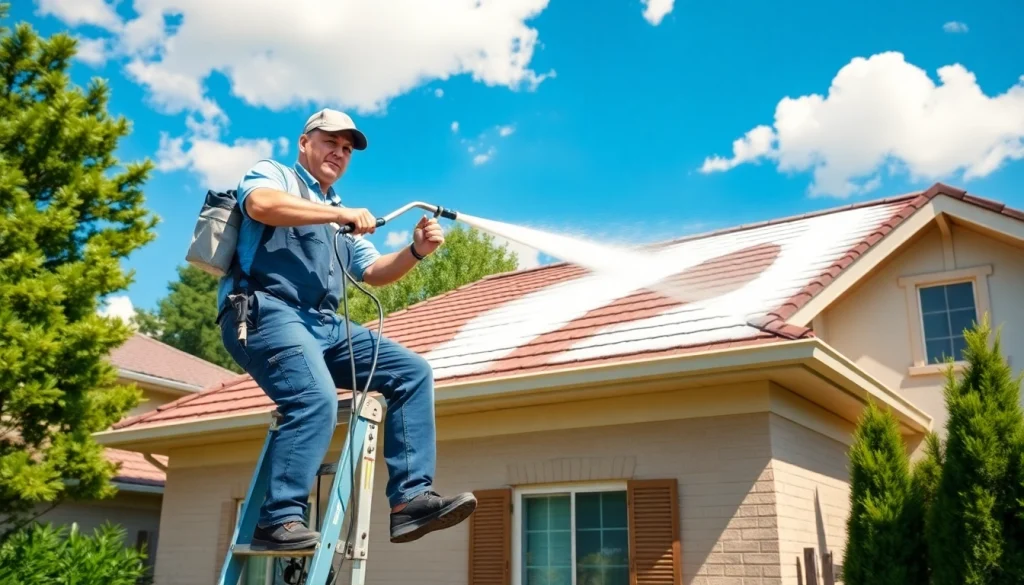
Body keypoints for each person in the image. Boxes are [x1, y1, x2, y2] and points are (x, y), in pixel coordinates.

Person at [217, 108, 477, 551]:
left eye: (346, 148)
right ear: (305, 143)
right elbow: (260, 205)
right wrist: (333, 215)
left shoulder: (339, 211)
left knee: (412, 373)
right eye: (330, 142)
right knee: (314, 397)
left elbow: (374, 271)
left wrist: (415, 251)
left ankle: (410, 502)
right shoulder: (274, 175)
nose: (338, 152)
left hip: (322, 323)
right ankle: (277, 520)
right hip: (267, 312)